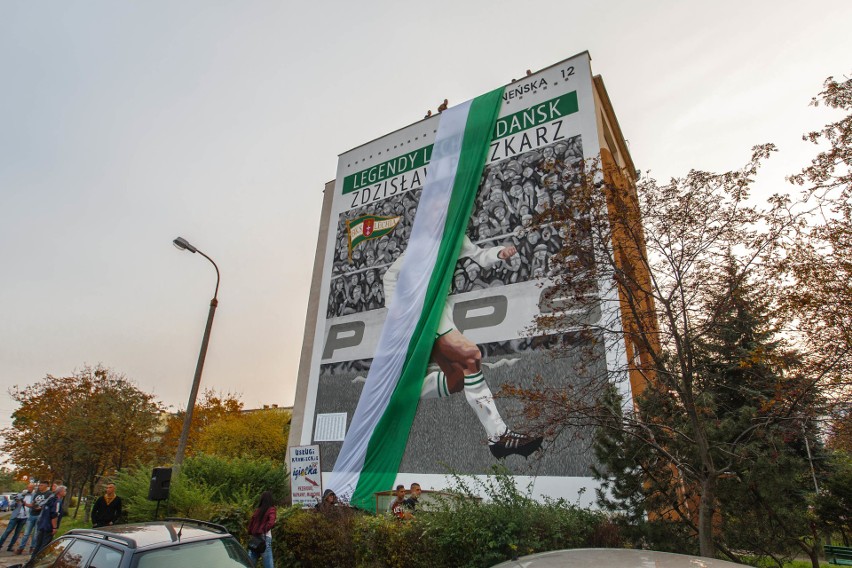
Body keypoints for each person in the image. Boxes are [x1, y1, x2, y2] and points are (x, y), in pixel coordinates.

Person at [383, 236, 543, 459]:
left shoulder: (455, 234)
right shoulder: (423, 239)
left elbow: (478, 255)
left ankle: (400, 396)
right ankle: (499, 436)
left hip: (440, 309)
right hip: (419, 313)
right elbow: (391, 275)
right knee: (471, 356)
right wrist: (396, 310)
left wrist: (500, 253)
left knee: (457, 379)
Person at [16, 480, 51, 555]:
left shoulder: (49, 494)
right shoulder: (36, 493)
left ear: (46, 486)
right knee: (26, 533)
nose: (39, 487)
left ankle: (32, 548)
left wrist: (41, 508)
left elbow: (47, 505)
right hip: (32, 514)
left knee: (35, 534)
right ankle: (21, 547)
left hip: (40, 515)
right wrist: (26, 504)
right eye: (39, 485)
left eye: (41, 485)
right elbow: (32, 504)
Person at [32, 485, 66, 555]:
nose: (66, 492)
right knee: (44, 546)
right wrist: (54, 527)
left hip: (42, 525)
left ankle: (33, 559)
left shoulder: (49, 500)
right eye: (64, 491)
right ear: (60, 492)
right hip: (48, 527)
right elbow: (54, 515)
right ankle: (39, 561)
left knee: (38, 544)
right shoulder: (57, 502)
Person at [246, 491, 276, 568]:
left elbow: (251, 523)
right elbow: (271, 522)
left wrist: (251, 531)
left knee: (250, 564)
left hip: (255, 539)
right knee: (268, 565)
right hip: (265, 539)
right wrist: (263, 529)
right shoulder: (271, 509)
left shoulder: (258, 510)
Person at [0, 483, 33, 551]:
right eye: (28, 487)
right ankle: (0, 544)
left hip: (24, 517)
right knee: (8, 531)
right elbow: (12, 505)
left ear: (33, 488)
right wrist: (16, 502)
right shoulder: (20, 495)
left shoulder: (33, 496)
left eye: (31, 488)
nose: (29, 489)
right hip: (16, 516)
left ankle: (10, 546)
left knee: (17, 533)